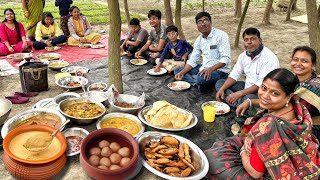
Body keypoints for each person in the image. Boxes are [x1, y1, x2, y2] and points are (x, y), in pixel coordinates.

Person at [205, 68, 320, 179]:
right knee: (234, 141)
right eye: (264, 88)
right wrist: (249, 102)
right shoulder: (299, 108)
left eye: (275, 93)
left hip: (270, 175)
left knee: (212, 160)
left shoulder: (269, 126)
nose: (265, 96)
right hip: (299, 167)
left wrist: (243, 151)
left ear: (288, 96)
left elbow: (255, 172)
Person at [236, 46, 320, 140]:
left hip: (308, 129)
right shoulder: (295, 79)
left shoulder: (314, 88)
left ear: (313, 64)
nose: (298, 64)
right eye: (295, 59)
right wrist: (250, 101)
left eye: (304, 61)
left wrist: (259, 121)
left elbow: (292, 110)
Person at [215, 27, 279, 108]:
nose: (249, 42)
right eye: (246, 40)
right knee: (220, 83)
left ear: (260, 40)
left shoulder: (269, 58)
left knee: (247, 99)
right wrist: (222, 89)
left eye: (253, 39)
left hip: (261, 94)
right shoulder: (243, 56)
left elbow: (261, 85)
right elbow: (234, 75)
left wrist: (239, 93)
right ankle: (237, 103)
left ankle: (237, 102)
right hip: (247, 87)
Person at [174, 12, 231, 93]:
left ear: (211, 23)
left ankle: (198, 81)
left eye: (205, 21)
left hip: (219, 71)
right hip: (204, 68)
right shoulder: (199, 40)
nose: (203, 24)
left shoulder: (221, 35)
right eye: (200, 22)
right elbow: (193, 60)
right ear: (197, 25)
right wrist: (182, 72)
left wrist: (211, 69)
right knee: (178, 70)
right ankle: (198, 83)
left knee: (201, 78)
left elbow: (226, 59)